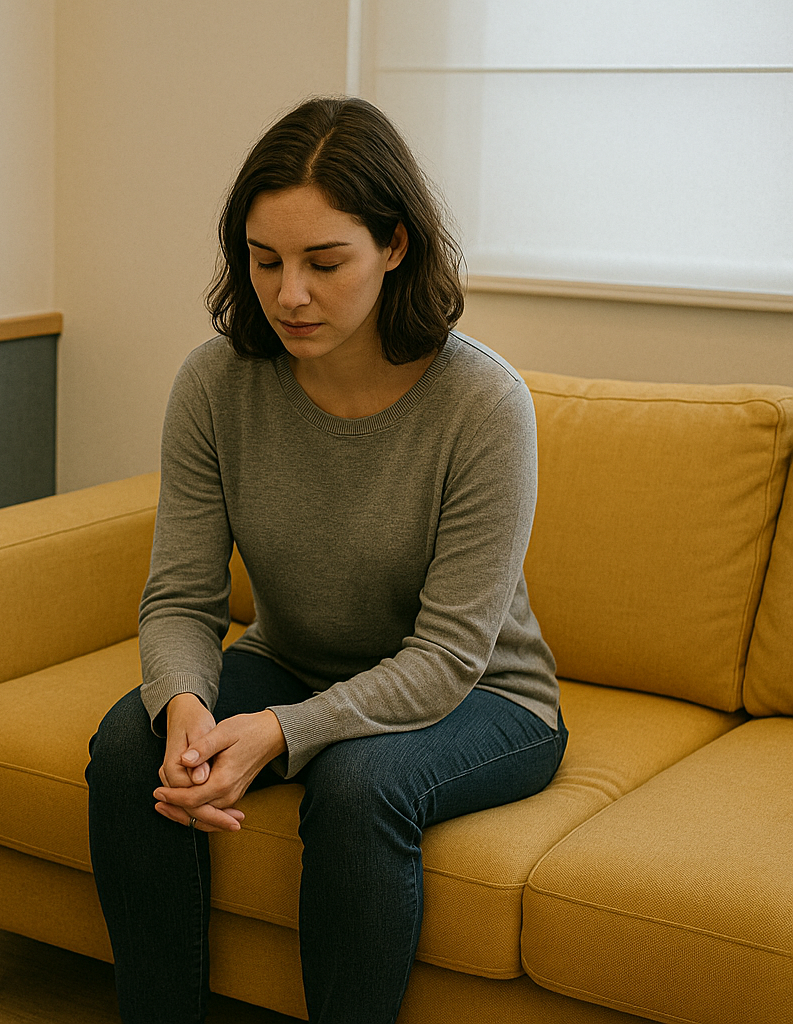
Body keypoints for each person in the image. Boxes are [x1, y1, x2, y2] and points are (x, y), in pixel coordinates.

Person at [84, 96, 567, 1024]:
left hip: (483, 696)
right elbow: (182, 595)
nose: (289, 293)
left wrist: (278, 731)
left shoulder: (485, 405)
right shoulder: (215, 383)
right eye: (264, 262)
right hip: (296, 658)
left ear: (395, 247)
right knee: (128, 745)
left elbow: (448, 657)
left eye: (324, 262)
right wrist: (185, 707)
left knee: (355, 786)